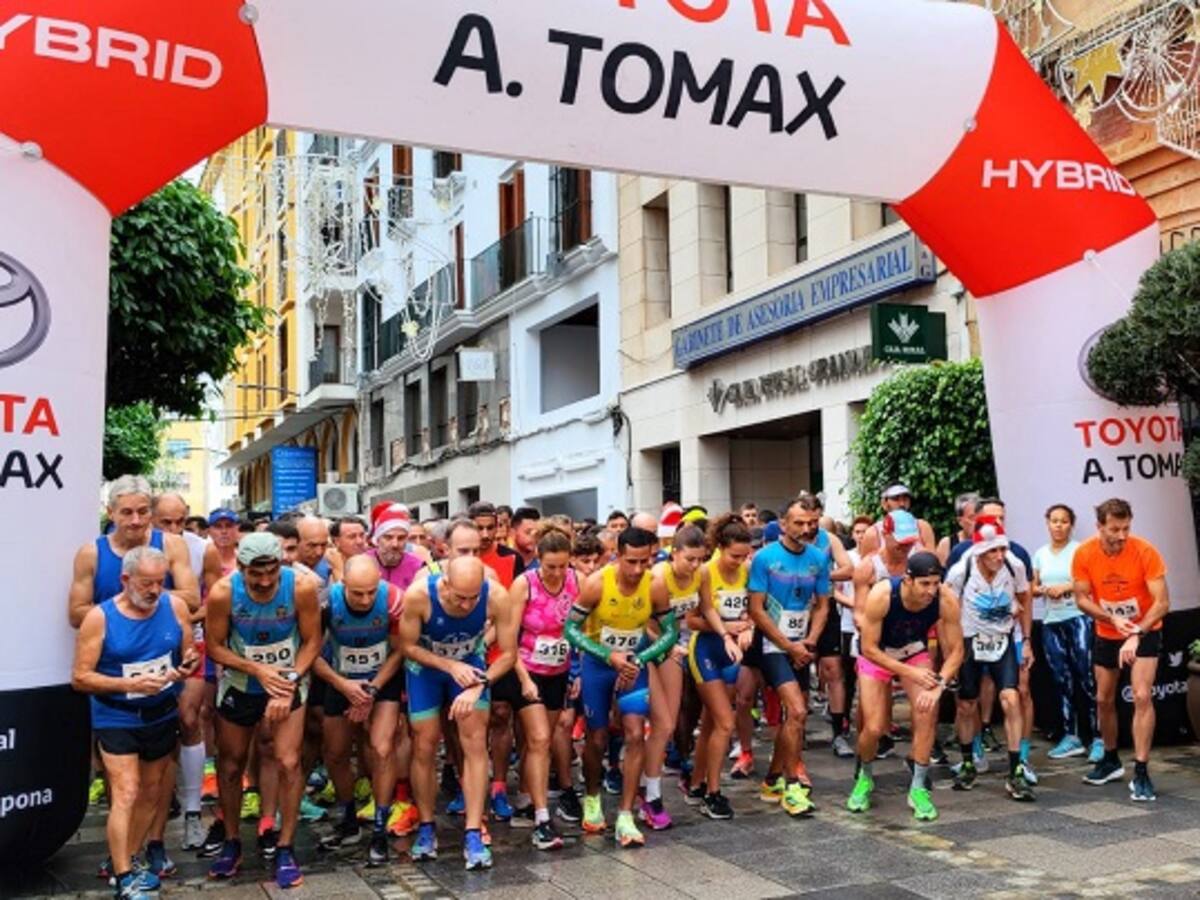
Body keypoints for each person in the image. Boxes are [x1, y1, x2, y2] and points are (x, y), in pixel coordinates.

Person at [72, 547, 198, 900]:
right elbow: (80, 677)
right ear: (125, 580)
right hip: (117, 714)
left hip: (160, 711)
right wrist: (130, 685)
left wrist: (185, 665)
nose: (155, 590)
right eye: (146, 583)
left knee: (152, 792)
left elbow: (188, 652)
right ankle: (125, 880)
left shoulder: (174, 607)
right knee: (126, 791)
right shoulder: (101, 617)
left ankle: (125, 859)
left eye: (160, 582)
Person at [205, 533, 322, 887]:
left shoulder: (300, 587)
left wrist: (287, 681)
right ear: (241, 568)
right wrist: (257, 671)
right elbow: (215, 645)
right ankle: (231, 840)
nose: (266, 581)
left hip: (288, 680)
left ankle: (285, 846)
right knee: (230, 762)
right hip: (243, 684)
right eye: (256, 574)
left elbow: (313, 640)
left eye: (272, 571)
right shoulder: (224, 593)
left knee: (288, 761)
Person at [399, 557, 518, 869]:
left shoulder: (496, 596)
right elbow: (408, 646)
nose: (466, 605)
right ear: (445, 584)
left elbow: (508, 653)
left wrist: (481, 684)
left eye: (473, 598)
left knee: (476, 743)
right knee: (424, 743)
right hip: (426, 669)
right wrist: (450, 665)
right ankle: (426, 827)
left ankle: (474, 831)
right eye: (459, 597)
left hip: (472, 668)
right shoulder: (418, 595)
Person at [566, 527, 678, 847]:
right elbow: (570, 629)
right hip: (599, 665)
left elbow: (670, 633)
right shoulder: (597, 583)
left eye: (646, 561)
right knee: (598, 737)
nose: (637, 570)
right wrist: (607, 655)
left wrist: (640, 659)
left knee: (634, 731)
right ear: (617, 553)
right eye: (631, 561)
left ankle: (627, 814)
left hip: (634, 664)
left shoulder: (655, 585)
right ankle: (591, 796)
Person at [847, 552, 963, 821]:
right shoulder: (883, 595)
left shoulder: (945, 598)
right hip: (878, 655)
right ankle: (864, 776)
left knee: (926, 710)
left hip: (912, 651)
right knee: (875, 727)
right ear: (908, 580)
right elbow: (868, 648)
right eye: (925, 584)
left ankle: (919, 786)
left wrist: (939, 686)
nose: (931, 591)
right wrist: (908, 671)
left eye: (936, 583)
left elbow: (957, 651)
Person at [1073, 499, 1170, 802]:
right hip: (1107, 631)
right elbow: (1081, 598)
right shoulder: (1084, 553)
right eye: (1114, 529)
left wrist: (1137, 631)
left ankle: (1141, 771)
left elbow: (1162, 602)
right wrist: (1111, 618)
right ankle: (1111, 759)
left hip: (1145, 629)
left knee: (1142, 695)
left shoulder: (1145, 551)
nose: (1122, 535)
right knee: (1103, 698)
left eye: (1126, 528)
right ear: (1099, 526)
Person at [312, 556, 405, 865]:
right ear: (343, 585)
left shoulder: (392, 598)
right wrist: (344, 686)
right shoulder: (326, 602)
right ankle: (349, 815)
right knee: (336, 751)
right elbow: (310, 654)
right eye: (357, 593)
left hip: (382, 679)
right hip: (339, 678)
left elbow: (400, 649)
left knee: (381, 748)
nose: (365, 600)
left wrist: (372, 690)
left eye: (370, 592)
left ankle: (380, 825)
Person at [748, 495, 830, 818]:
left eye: (812, 523)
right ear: (783, 524)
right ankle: (793, 785)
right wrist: (787, 644)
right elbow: (755, 609)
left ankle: (771, 779)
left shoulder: (818, 558)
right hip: (772, 645)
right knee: (797, 710)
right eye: (799, 523)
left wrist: (809, 640)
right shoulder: (765, 558)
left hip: (801, 644)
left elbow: (823, 604)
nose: (807, 528)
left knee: (795, 717)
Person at [150, 493, 221, 854]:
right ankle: (157, 810)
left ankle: (193, 812)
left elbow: (212, 596)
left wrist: (186, 620)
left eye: (181, 521)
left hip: (190, 639)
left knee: (189, 718)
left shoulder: (202, 548)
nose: (175, 529)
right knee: (156, 727)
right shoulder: (140, 548)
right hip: (146, 644)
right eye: (167, 522)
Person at [945, 519, 1035, 801]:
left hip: (1003, 640)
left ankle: (1015, 770)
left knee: (1011, 698)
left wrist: (1027, 640)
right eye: (992, 552)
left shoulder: (1014, 566)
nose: (999, 556)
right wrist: (951, 650)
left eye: (1002, 549)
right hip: (971, 640)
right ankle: (968, 761)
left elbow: (1026, 599)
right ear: (980, 553)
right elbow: (947, 608)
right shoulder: (963, 569)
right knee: (967, 705)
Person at [505, 523, 578, 850]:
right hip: (525, 668)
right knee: (538, 738)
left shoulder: (577, 581)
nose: (556, 573)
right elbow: (508, 640)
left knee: (540, 744)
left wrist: (577, 672)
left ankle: (524, 796)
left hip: (558, 670)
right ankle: (542, 818)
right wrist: (522, 679)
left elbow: (586, 627)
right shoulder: (524, 584)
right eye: (550, 566)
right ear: (538, 559)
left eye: (562, 565)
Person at [642, 525, 720, 829]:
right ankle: (650, 792)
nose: (695, 565)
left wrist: (725, 634)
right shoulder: (659, 577)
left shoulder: (701, 574)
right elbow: (645, 623)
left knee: (670, 722)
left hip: (683, 643)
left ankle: (654, 787)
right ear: (674, 554)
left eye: (701, 559)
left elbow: (707, 607)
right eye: (689, 559)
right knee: (660, 724)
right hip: (656, 645)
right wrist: (668, 645)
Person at [683, 514, 752, 819]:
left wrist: (747, 627)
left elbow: (753, 610)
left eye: (745, 555)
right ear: (720, 548)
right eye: (734, 555)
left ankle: (697, 783)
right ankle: (713, 792)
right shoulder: (706, 572)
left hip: (733, 654)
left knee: (712, 722)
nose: (739, 561)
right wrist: (726, 628)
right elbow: (693, 620)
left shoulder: (747, 572)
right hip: (707, 649)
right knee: (726, 722)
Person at [1032, 505, 1098, 762]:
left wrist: (1067, 587)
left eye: (1064, 521)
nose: (1059, 526)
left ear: (1071, 524)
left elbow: (1089, 581)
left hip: (1078, 618)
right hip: (1051, 621)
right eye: (1054, 521)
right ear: (1047, 523)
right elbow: (1033, 587)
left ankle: (1097, 738)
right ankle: (1070, 736)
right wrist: (1045, 590)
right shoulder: (1039, 554)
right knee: (1061, 679)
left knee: (1086, 677)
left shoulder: (1080, 550)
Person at [858, 485, 937, 556]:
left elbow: (932, 561)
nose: (902, 504)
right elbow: (866, 567)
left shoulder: (922, 527)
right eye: (896, 499)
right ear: (884, 503)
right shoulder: (873, 533)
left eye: (905, 499)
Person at [367, 503, 425, 593]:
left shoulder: (418, 565)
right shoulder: (362, 561)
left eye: (401, 538)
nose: (395, 544)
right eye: (388, 537)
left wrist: (431, 561)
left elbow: (436, 581)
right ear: (377, 539)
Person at [936, 493, 979, 566]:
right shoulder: (947, 544)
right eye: (972, 518)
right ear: (960, 521)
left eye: (981, 517)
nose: (978, 522)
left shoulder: (992, 540)